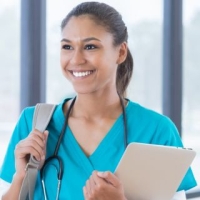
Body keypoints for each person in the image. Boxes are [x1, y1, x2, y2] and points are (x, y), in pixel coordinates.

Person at [0, 2, 197, 200]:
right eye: (67, 46)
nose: (76, 59)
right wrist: (21, 177)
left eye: (90, 46)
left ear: (120, 52)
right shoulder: (34, 123)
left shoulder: (157, 131)